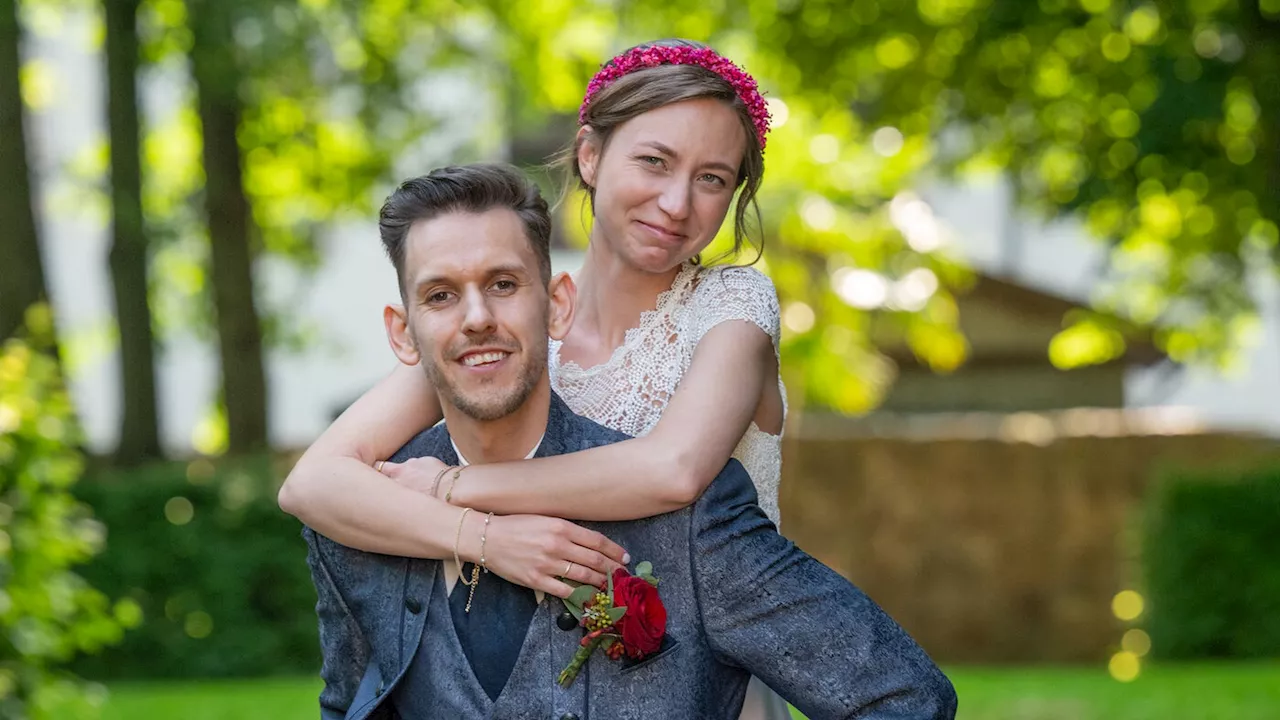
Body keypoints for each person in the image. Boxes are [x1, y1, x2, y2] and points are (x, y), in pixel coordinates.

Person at [304, 161, 956, 719]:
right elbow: (350, 704)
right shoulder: (359, 518)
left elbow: (902, 697)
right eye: (442, 295)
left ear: (556, 303)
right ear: (402, 332)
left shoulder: (692, 519)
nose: (478, 319)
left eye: (503, 285)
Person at [281, 39, 809, 718]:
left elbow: (673, 471)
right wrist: (485, 537)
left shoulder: (732, 309)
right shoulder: (510, 322)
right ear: (589, 156)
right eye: (654, 161)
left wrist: (452, 487)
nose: (677, 202)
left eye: (712, 179)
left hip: (704, 670)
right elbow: (314, 481)